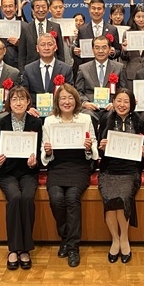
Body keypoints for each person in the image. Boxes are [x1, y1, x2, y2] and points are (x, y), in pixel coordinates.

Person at [42, 84, 98, 268]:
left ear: (76, 100)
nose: (67, 102)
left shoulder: (85, 119)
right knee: (56, 199)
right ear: (57, 101)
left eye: (70, 98)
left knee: (72, 198)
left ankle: (73, 247)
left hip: (79, 166)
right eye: (63, 98)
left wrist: (89, 148)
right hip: (57, 167)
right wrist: (47, 151)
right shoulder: (50, 121)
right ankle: (65, 237)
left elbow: (93, 145)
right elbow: (44, 149)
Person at [0, 86, 42, 270]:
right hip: (8, 172)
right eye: (14, 99)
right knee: (15, 197)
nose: (18, 103)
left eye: (22, 99)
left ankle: (25, 248)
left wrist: (34, 162)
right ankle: (13, 248)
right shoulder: (1, 122)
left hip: (28, 172)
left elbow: (39, 153)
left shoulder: (36, 122)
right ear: (9, 103)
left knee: (27, 198)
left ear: (28, 102)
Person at [98, 89, 144, 264]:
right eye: (118, 100)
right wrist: (101, 147)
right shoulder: (105, 119)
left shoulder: (140, 121)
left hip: (130, 170)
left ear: (132, 104)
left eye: (126, 101)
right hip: (109, 170)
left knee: (121, 198)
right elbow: (98, 148)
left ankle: (124, 238)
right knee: (110, 199)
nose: (122, 105)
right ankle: (115, 239)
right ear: (113, 102)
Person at [75, 36, 128, 131]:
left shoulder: (119, 68)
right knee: (87, 116)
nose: (100, 51)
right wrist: (85, 103)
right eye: (97, 48)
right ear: (92, 49)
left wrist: (115, 103)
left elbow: (124, 90)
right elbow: (78, 91)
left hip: (111, 107)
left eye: (104, 47)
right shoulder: (83, 68)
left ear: (110, 49)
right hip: (90, 107)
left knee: (113, 116)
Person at [20, 33, 74, 108]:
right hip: (34, 111)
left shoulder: (66, 69)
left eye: (50, 44)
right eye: (42, 45)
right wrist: (29, 108)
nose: (46, 48)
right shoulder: (28, 69)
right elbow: (24, 93)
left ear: (55, 47)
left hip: (58, 110)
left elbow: (70, 94)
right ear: (37, 48)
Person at [18, 0, 65, 73]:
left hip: (52, 69)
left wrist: (60, 71)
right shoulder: (26, 28)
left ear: (48, 9)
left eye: (43, 7)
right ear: (33, 10)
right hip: (31, 70)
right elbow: (22, 54)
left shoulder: (56, 27)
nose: (41, 10)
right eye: (37, 7)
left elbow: (60, 53)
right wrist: (23, 72)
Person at [73, 0, 121, 69]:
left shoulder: (112, 29)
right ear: (89, 10)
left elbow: (118, 51)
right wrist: (76, 51)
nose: (96, 11)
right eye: (93, 8)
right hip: (88, 68)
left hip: (107, 68)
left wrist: (113, 52)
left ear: (104, 11)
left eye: (99, 9)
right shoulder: (82, 29)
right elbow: (77, 48)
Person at [119, 4, 144, 87]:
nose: (141, 19)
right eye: (138, 17)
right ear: (134, 18)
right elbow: (123, 58)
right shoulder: (127, 34)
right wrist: (124, 50)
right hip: (131, 73)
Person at [0, 0, 28, 68]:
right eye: (5, 6)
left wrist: (19, 44)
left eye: (10, 6)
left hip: (19, 67)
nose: (8, 9)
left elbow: (30, 49)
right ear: (2, 8)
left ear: (16, 7)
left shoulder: (25, 26)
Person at [49, 0, 74, 67]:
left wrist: (75, 37)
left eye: (61, 7)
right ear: (49, 9)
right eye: (55, 7)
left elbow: (72, 45)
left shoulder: (69, 24)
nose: (58, 10)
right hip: (52, 62)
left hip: (68, 62)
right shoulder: (46, 24)